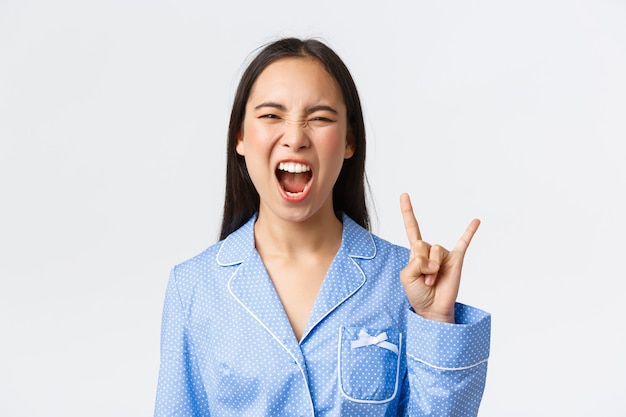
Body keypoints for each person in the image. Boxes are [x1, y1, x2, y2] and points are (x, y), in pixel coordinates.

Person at [154, 37, 491, 417]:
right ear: (241, 137)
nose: (295, 137)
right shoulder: (194, 287)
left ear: (349, 140)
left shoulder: (404, 285)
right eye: (270, 115)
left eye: (319, 118)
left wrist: (435, 322)